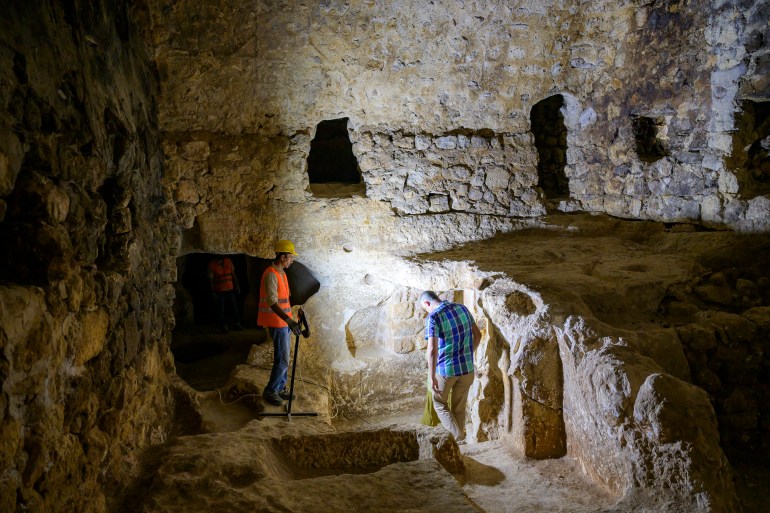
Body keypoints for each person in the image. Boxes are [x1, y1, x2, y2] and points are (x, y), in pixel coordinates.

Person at [419, 290, 481, 443]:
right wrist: (468, 352)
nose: (426, 311)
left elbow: (432, 349)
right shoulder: (462, 308)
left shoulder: (433, 317)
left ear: (427, 303)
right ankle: (460, 445)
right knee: (459, 409)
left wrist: (432, 376)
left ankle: (458, 438)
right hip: (467, 369)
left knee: (439, 403)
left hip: (446, 370)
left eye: (425, 308)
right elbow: (478, 335)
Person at [258, 240, 303, 406]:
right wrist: (289, 320)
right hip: (278, 323)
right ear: (282, 257)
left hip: (284, 323)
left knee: (284, 357)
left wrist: (293, 317)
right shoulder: (271, 274)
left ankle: (281, 387)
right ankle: (271, 391)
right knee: (282, 359)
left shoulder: (282, 273)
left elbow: (285, 300)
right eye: (290, 257)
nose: (292, 260)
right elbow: (272, 302)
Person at [207, 255, 242, 333]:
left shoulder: (228, 261)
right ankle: (223, 326)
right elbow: (210, 280)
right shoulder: (212, 265)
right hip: (220, 291)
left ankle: (237, 323)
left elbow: (233, 274)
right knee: (221, 310)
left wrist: (237, 286)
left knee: (234, 307)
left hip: (230, 289)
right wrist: (213, 292)